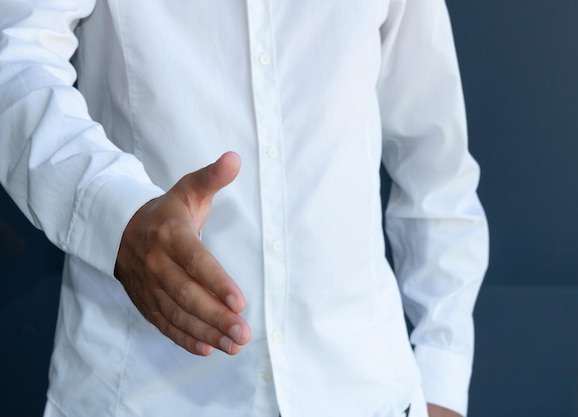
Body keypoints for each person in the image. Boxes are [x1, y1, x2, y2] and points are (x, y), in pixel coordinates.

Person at [0, 1, 489, 416]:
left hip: (364, 390)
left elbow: (434, 163)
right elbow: (14, 60)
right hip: (138, 395)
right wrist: (118, 218)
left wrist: (442, 378)